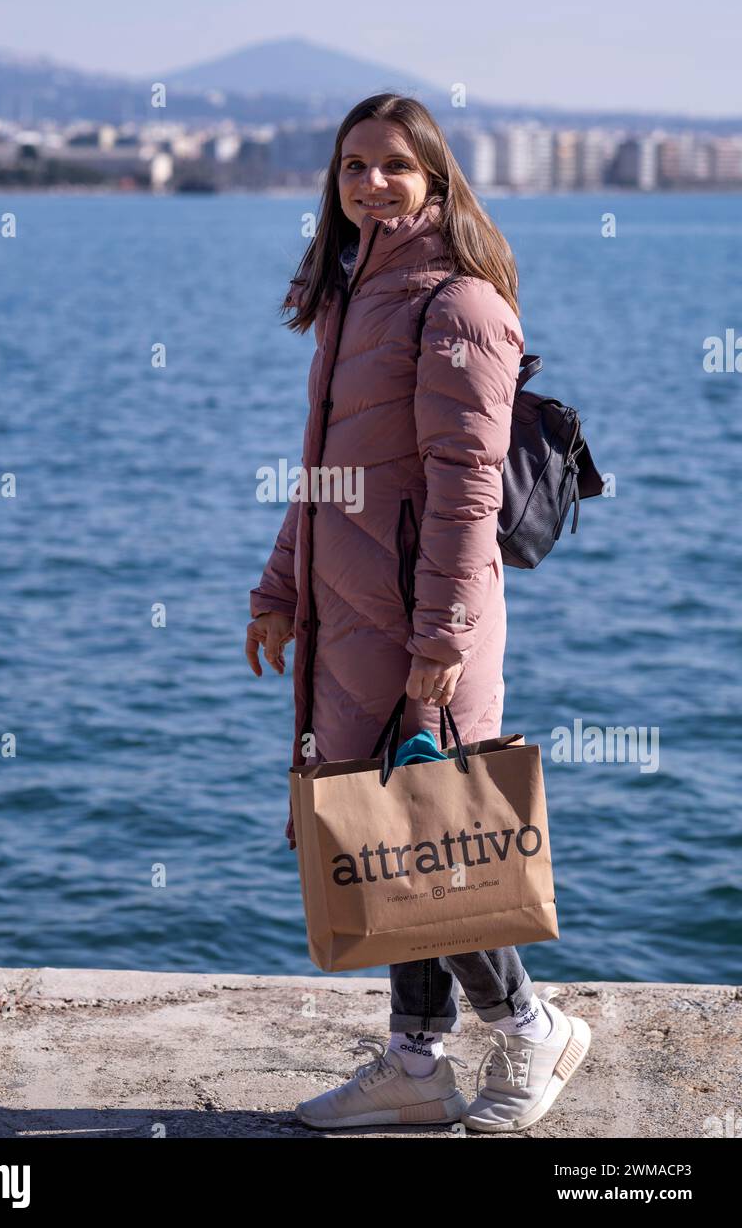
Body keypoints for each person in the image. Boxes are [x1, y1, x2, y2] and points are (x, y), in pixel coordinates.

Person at [245, 93, 591, 1133]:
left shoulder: (459, 304)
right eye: (351, 165)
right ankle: (413, 1060)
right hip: (351, 617)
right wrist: (278, 591)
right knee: (380, 829)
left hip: (419, 620)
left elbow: (465, 489)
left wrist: (438, 642)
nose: (368, 183)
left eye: (394, 165)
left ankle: (532, 1029)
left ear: (436, 179)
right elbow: (324, 477)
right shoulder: (351, 294)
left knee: (439, 837)